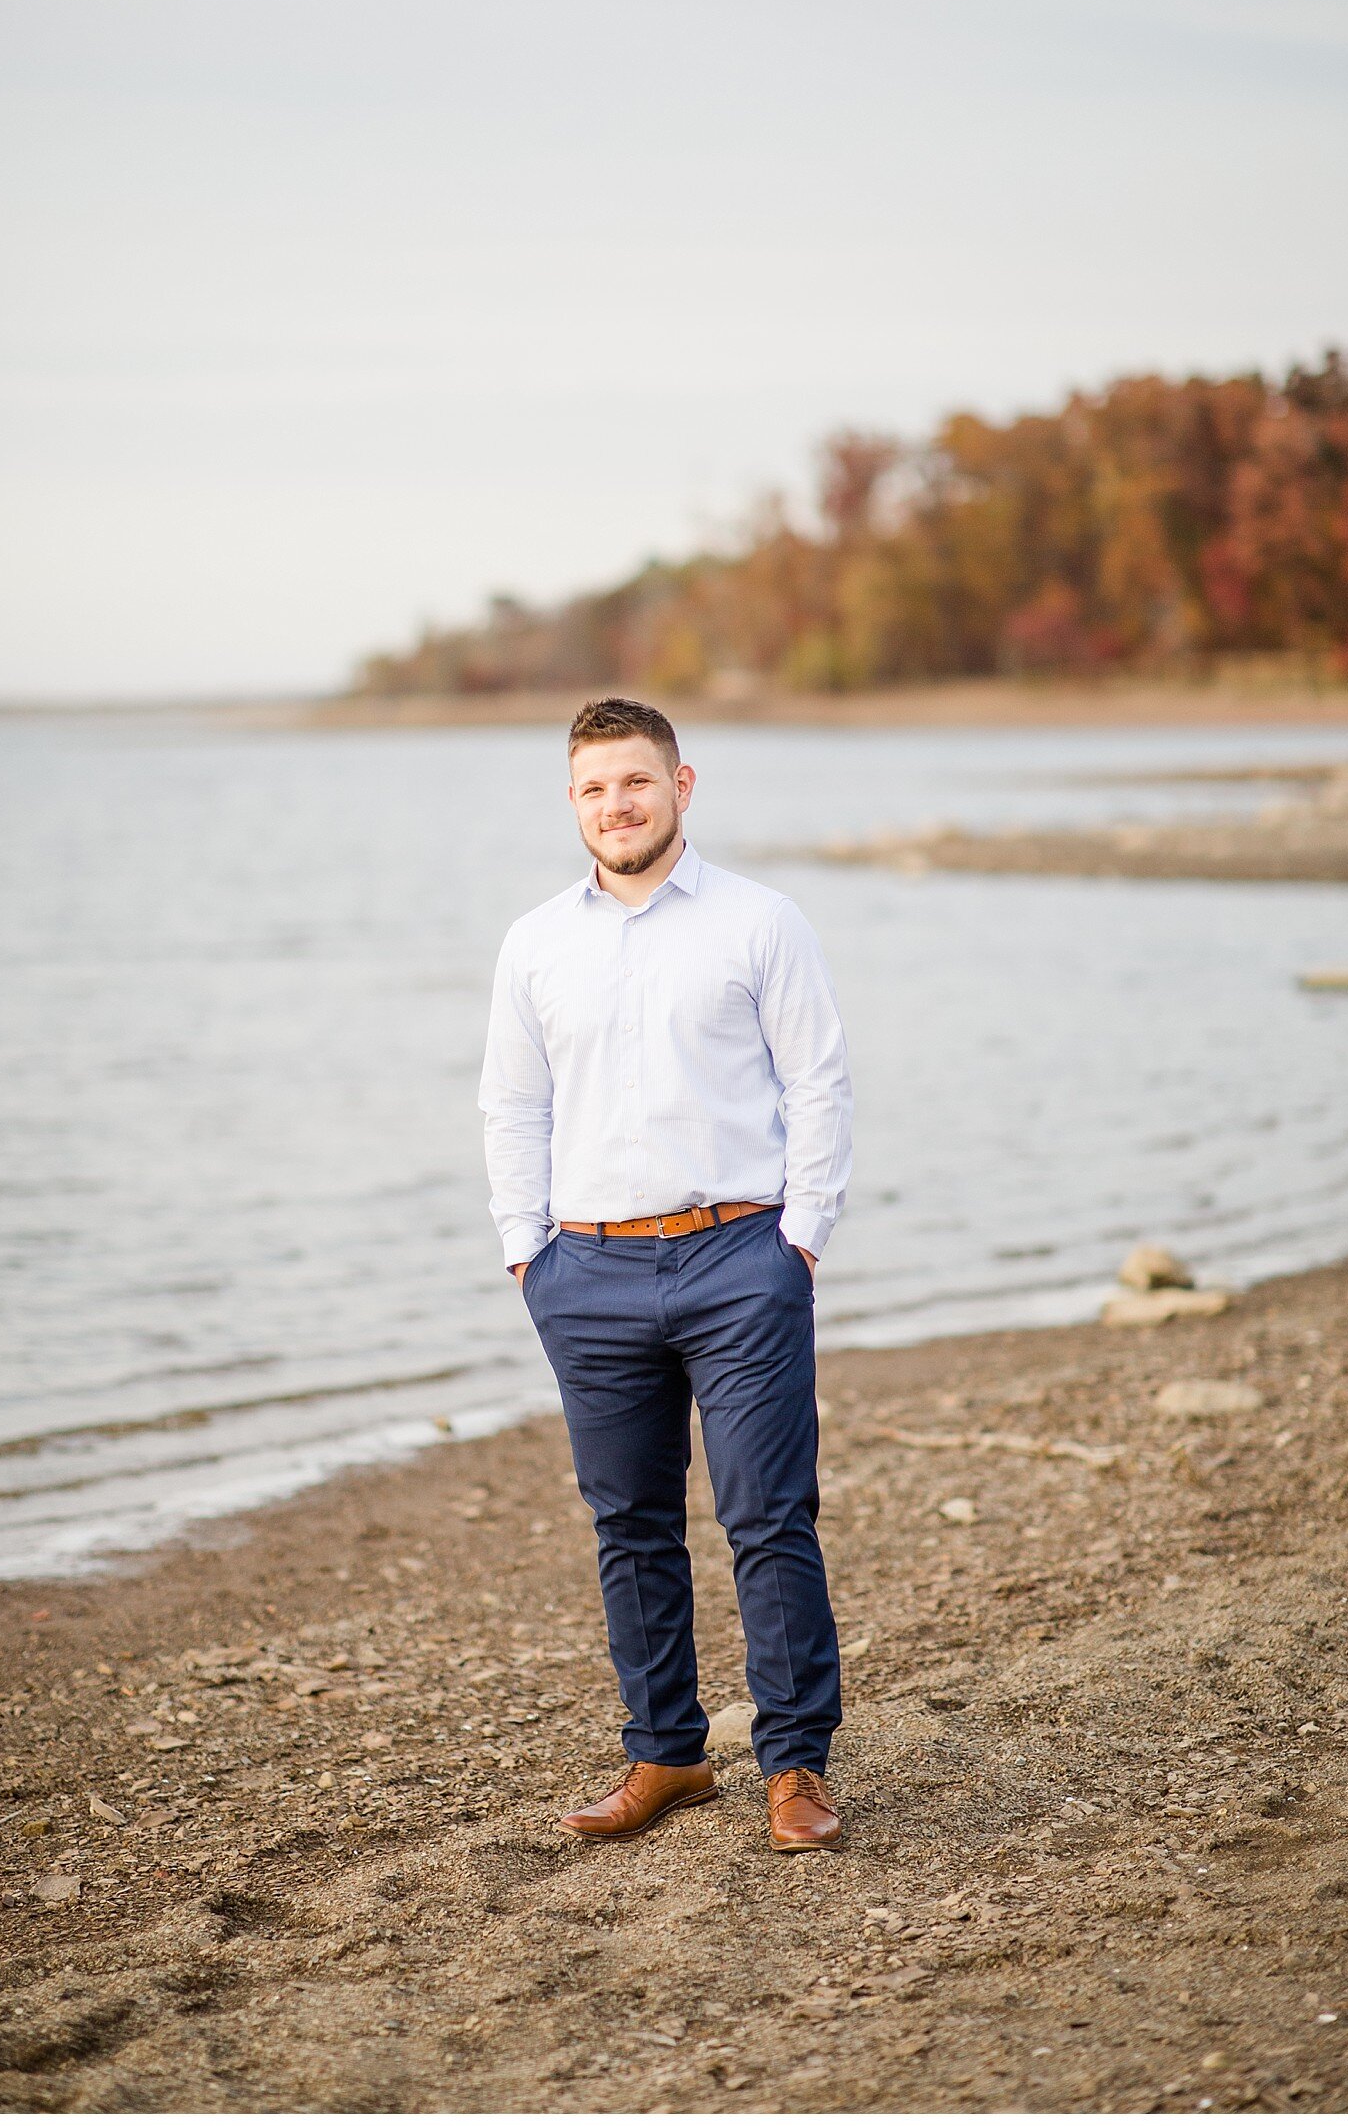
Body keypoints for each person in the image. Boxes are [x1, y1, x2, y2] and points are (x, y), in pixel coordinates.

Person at [478, 696, 853, 1852]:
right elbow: (513, 1102)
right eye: (593, 788)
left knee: (766, 1515)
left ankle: (793, 1764)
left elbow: (819, 1082)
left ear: (682, 786)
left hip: (741, 1255)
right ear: (573, 802)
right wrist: (526, 1248)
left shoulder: (759, 920)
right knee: (630, 1522)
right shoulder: (536, 941)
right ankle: (668, 1753)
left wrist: (801, 1239)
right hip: (584, 1270)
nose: (616, 804)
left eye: (635, 782)